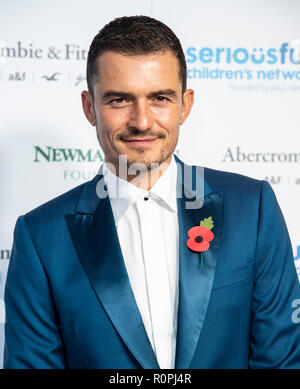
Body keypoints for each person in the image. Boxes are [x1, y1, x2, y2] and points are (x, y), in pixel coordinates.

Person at [4, 15, 300, 369]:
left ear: (185, 105)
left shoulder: (252, 209)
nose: (141, 121)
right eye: (119, 100)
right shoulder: (41, 237)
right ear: (89, 108)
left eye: (159, 98)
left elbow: (281, 361)